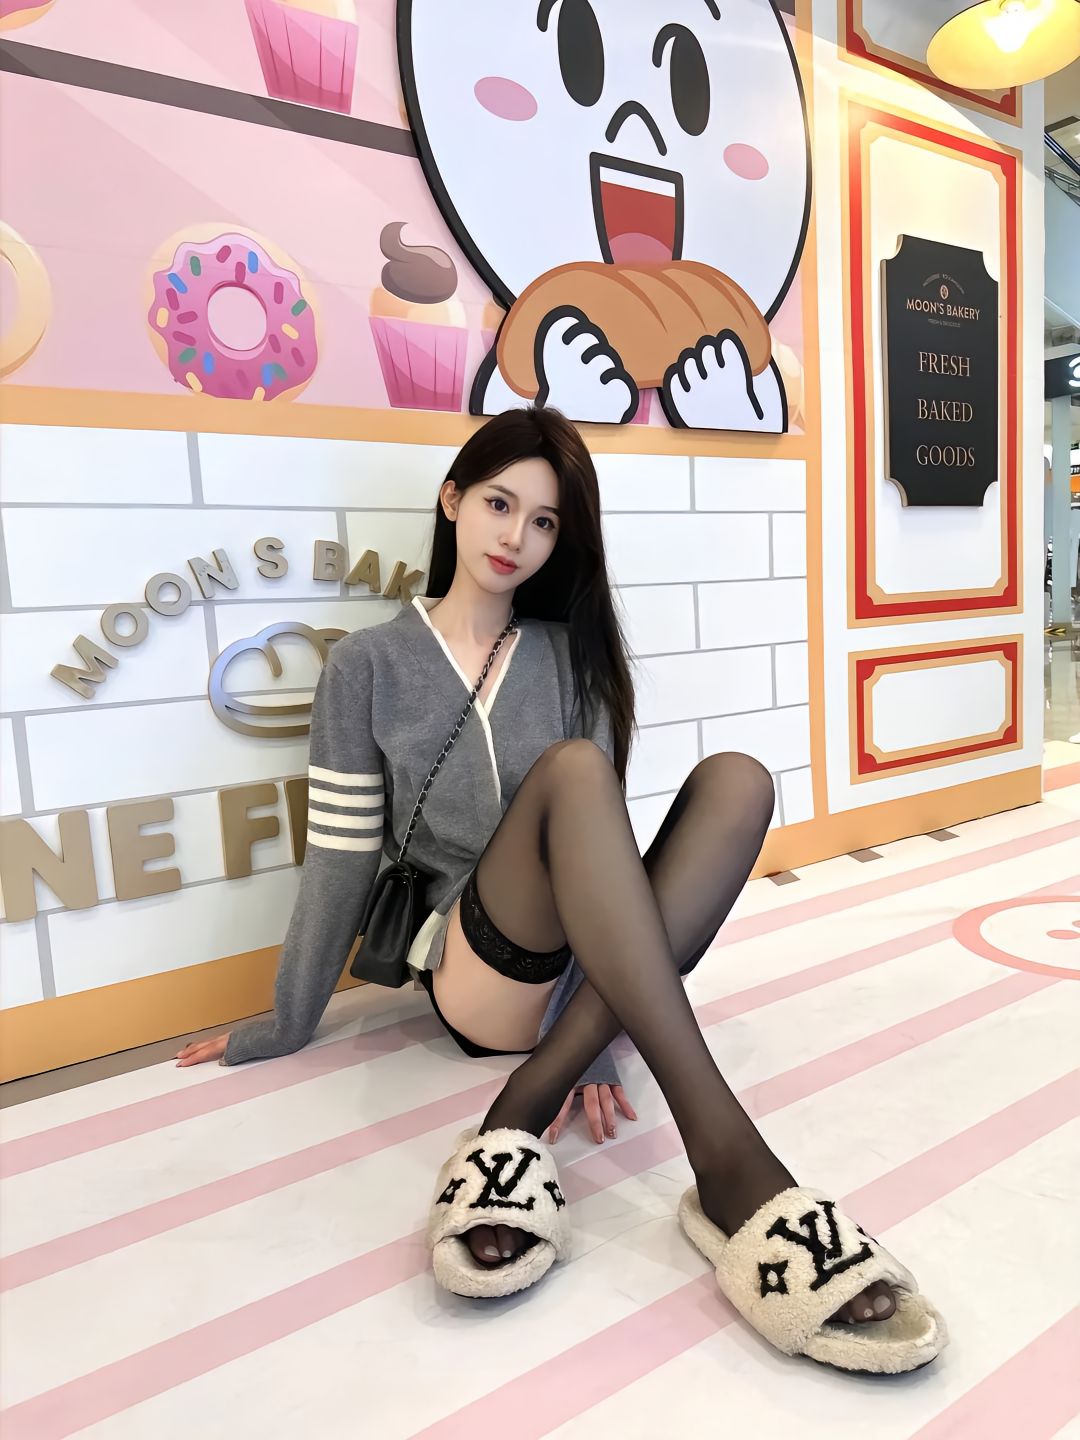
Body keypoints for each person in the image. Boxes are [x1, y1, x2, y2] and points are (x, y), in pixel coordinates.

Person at [177, 406, 896, 1328]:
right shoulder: (367, 666)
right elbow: (341, 855)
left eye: (545, 520)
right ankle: (730, 1163)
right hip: (476, 966)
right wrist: (286, 1020)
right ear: (452, 501)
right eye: (499, 504)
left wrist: (595, 1039)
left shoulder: (566, 654)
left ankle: (526, 1101)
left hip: (581, 975)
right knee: (575, 771)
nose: (516, 536)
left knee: (739, 781)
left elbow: (603, 866)